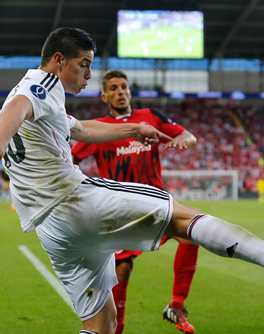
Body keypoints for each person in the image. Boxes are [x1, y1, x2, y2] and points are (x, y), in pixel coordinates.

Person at [0, 27, 264, 334]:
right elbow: (15, 110)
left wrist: (134, 128)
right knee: (185, 218)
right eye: (84, 65)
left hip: (53, 232)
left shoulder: (48, 102)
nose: (87, 73)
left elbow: (81, 129)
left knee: (102, 324)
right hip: (76, 201)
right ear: (59, 59)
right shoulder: (41, 85)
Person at [72, 69, 199, 334]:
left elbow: (188, 135)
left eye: (124, 87)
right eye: (114, 88)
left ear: (130, 91)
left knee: (192, 232)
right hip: (121, 211)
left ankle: (176, 306)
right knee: (122, 272)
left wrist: (182, 141)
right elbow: (70, 161)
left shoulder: (150, 117)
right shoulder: (99, 129)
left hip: (156, 203)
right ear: (105, 95)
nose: (121, 92)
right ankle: (116, 330)